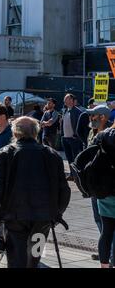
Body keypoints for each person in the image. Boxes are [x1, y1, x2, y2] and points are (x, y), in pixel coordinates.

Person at [0, 117, 71, 268]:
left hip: (14, 218)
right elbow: (64, 189)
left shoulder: (5, 154)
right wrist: (56, 214)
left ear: (15, 133)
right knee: (34, 258)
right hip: (42, 219)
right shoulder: (52, 154)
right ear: (36, 133)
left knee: (17, 259)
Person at [85, 105, 114, 264]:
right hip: (96, 187)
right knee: (101, 222)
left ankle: (109, 257)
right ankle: (107, 254)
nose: (91, 118)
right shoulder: (93, 133)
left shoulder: (106, 135)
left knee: (108, 227)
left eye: (94, 115)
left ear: (103, 117)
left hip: (105, 188)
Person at [61, 94, 83, 181]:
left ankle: (77, 176)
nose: (65, 100)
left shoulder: (77, 112)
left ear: (72, 100)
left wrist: (76, 135)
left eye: (67, 99)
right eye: (65, 99)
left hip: (74, 139)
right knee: (69, 158)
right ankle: (71, 174)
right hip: (65, 138)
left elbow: (80, 125)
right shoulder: (65, 111)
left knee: (75, 158)